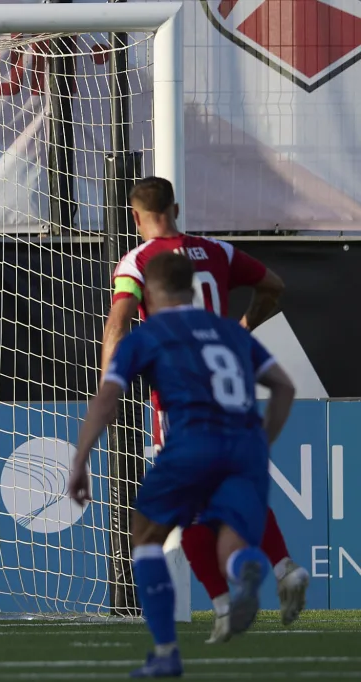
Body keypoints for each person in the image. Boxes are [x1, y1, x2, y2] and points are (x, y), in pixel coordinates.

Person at [70, 252, 296, 677]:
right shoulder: (230, 331)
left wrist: (81, 459)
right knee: (225, 535)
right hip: (244, 447)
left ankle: (166, 653)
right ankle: (243, 569)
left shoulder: (148, 334)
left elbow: (108, 398)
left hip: (191, 442)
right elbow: (283, 386)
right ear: (193, 289)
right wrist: (261, 442)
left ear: (148, 298)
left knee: (146, 534)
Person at [102, 176, 309, 641]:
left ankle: (223, 605)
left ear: (136, 217)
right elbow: (273, 285)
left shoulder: (138, 261)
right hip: (230, 387)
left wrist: (109, 384)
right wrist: (242, 324)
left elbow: (117, 321)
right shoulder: (219, 252)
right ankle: (280, 569)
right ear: (176, 207)